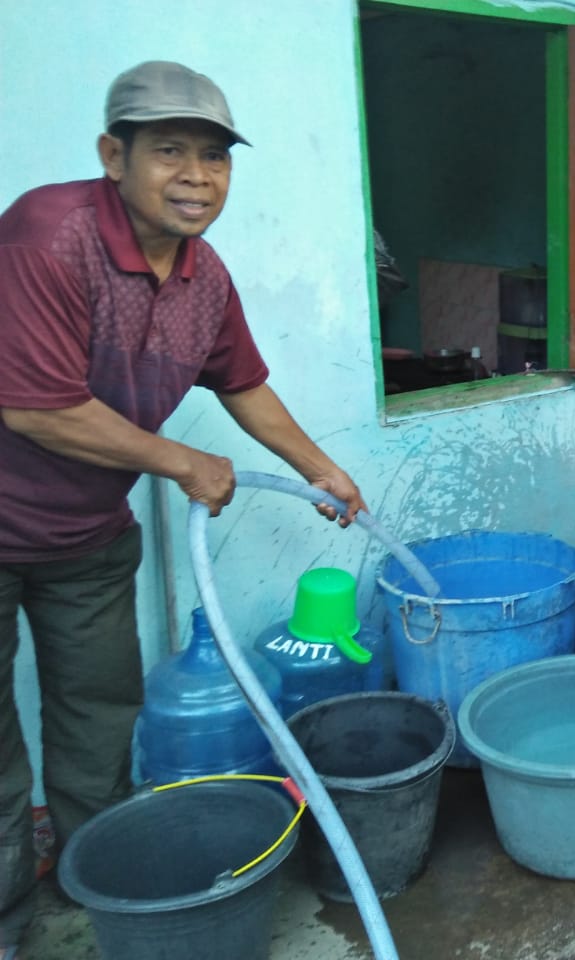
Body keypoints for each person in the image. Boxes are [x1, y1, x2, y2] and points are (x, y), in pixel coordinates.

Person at [0, 61, 368, 954]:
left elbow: (243, 384)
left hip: (86, 537)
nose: (197, 177)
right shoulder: (47, 236)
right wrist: (181, 462)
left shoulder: (204, 274)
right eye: (169, 151)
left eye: (215, 156)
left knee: (99, 724)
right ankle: (7, 924)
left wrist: (324, 469)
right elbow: (32, 404)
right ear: (111, 155)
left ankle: (103, 894)